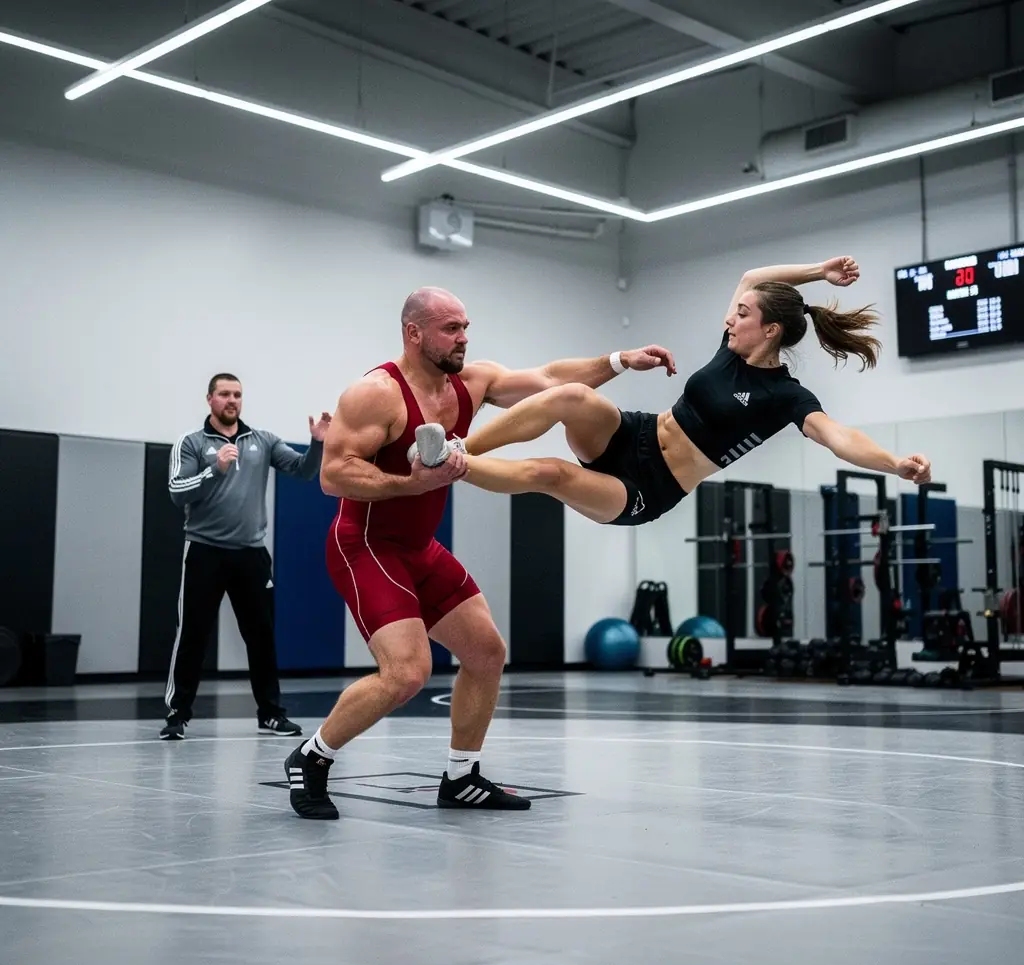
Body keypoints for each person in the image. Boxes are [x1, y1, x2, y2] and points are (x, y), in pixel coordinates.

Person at [284, 286, 675, 819]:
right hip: (366, 546)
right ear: (413, 333)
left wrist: (619, 361)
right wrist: (411, 483)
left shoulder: (473, 382)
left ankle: (461, 777)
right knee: (406, 673)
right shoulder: (376, 394)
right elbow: (333, 475)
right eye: (451, 329)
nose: (464, 338)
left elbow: (553, 384)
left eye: (466, 326)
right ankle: (312, 757)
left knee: (487, 653)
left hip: (419, 549)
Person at [414, 257, 932, 520]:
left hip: (650, 488)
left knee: (549, 473)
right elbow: (753, 274)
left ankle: (441, 468)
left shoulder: (786, 397)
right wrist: (819, 272)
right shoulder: (728, 349)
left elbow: (837, 437)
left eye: (743, 314)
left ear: (770, 330)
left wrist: (894, 463)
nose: (731, 318)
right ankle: (456, 446)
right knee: (569, 397)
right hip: (631, 435)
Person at [162, 373, 331, 740]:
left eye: (237, 394)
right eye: (224, 394)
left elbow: (302, 471)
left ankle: (271, 714)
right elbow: (177, 492)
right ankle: (177, 715)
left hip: (251, 554)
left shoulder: (264, 440)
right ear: (209, 399)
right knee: (192, 633)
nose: (232, 400)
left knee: (261, 635)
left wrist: (317, 444)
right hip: (204, 550)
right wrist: (214, 470)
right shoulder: (191, 443)